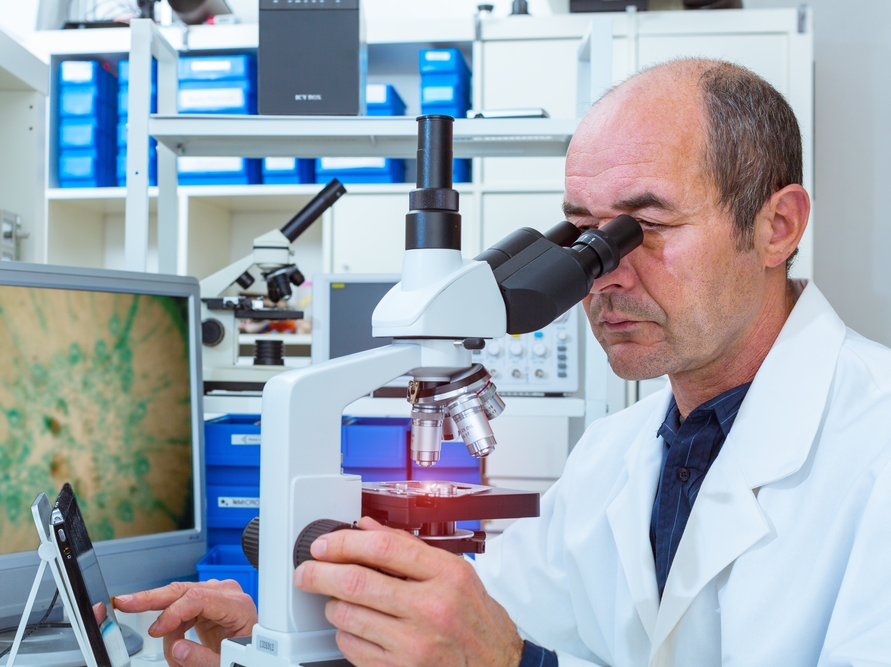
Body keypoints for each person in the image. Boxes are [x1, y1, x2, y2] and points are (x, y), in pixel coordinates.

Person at [113, 59, 891, 667]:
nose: (604, 271)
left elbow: (506, 654)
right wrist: (290, 633)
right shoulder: (612, 458)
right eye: (583, 232)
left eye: (643, 226)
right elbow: (465, 632)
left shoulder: (876, 442)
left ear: (777, 225)